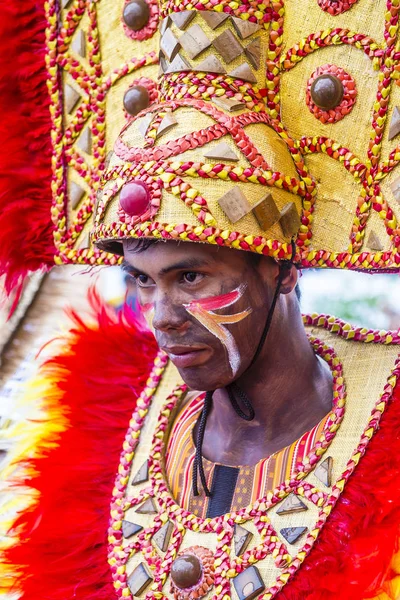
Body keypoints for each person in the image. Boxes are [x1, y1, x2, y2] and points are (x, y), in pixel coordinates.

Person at [1, 0, 400, 599]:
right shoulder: (94, 413)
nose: (161, 318)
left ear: (283, 269)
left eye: (191, 278)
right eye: (140, 279)